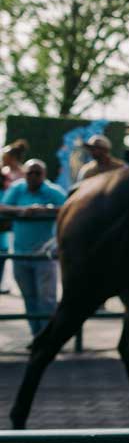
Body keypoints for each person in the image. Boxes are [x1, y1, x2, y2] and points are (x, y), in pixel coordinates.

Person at [0, 160, 68, 336]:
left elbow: (69, 208)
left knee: (47, 299)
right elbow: (3, 207)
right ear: (24, 173)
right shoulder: (17, 189)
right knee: (29, 298)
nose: (33, 176)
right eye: (30, 173)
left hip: (44, 255)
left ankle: (47, 337)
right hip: (21, 254)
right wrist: (22, 211)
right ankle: (36, 335)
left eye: (37, 173)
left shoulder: (53, 192)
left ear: (44, 175)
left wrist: (45, 210)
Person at [1, 139, 30, 294]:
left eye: (5, 156)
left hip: (17, 214)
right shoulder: (4, 172)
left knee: (14, 246)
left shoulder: (23, 173)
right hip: (7, 214)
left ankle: (13, 281)